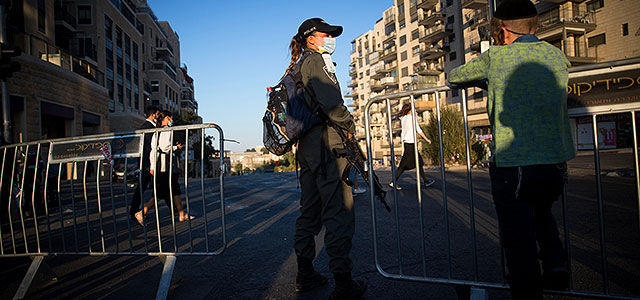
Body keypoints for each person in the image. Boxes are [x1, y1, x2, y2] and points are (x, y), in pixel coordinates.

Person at [448, 0, 575, 299]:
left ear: (502, 32)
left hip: (515, 164)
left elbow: (455, 76)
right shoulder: (556, 55)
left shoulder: (496, 58)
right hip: (555, 162)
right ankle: (556, 263)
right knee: (542, 210)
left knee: (518, 243)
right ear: (538, 25)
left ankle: (528, 291)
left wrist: (488, 79)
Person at [288, 18, 367, 299]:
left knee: (309, 211)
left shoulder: (300, 63)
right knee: (338, 211)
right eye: (327, 34)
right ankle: (344, 285)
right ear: (311, 38)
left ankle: (305, 273)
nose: (331, 38)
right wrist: (351, 125)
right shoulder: (317, 61)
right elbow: (332, 104)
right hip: (327, 144)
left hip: (309, 147)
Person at [137, 110, 194, 222]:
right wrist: (174, 148)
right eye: (170, 118)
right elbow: (163, 148)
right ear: (166, 118)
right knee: (162, 192)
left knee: (174, 188)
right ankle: (142, 212)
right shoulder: (167, 130)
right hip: (165, 164)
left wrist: (153, 165)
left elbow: (156, 149)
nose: (172, 120)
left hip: (162, 164)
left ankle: (181, 214)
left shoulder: (158, 131)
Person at [389, 103, 435, 191]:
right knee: (403, 165)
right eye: (414, 109)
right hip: (411, 143)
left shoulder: (403, 118)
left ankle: (426, 181)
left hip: (407, 143)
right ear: (410, 110)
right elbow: (418, 129)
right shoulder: (411, 118)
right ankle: (393, 182)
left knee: (419, 162)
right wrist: (427, 139)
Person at [131, 105, 160, 225]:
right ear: (153, 115)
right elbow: (150, 148)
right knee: (143, 188)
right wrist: (151, 166)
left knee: (145, 188)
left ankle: (138, 212)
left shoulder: (149, 127)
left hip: (147, 162)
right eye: (158, 114)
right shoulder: (148, 128)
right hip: (147, 162)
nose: (159, 117)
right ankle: (136, 212)